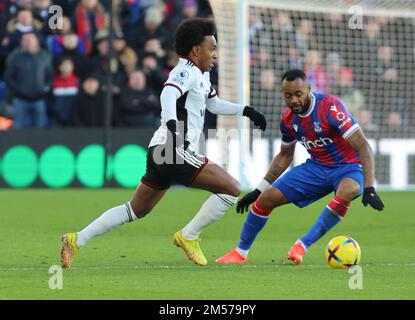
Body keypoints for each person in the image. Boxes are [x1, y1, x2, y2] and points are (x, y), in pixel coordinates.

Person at [61, 18, 267, 268]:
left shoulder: (202, 74)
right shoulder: (186, 71)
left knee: (136, 209)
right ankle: (188, 236)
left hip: (162, 149)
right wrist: (171, 123)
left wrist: (245, 110)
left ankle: (76, 239)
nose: (215, 54)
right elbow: (168, 92)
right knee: (231, 189)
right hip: (173, 147)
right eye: (211, 48)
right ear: (195, 50)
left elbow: (213, 104)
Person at [216, 69, 384, 265]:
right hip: (316, 168)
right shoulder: (288, 120)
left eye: (298, 94)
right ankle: (240, 252)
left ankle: (302, 245)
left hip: (348, 167)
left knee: (350, 189)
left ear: (309, 90)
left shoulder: (330, 107)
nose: (293, 100)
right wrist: (258, 189)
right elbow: (285, 155)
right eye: (288, 95)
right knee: (266, 199)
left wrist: (370, 187)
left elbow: (363, 145)